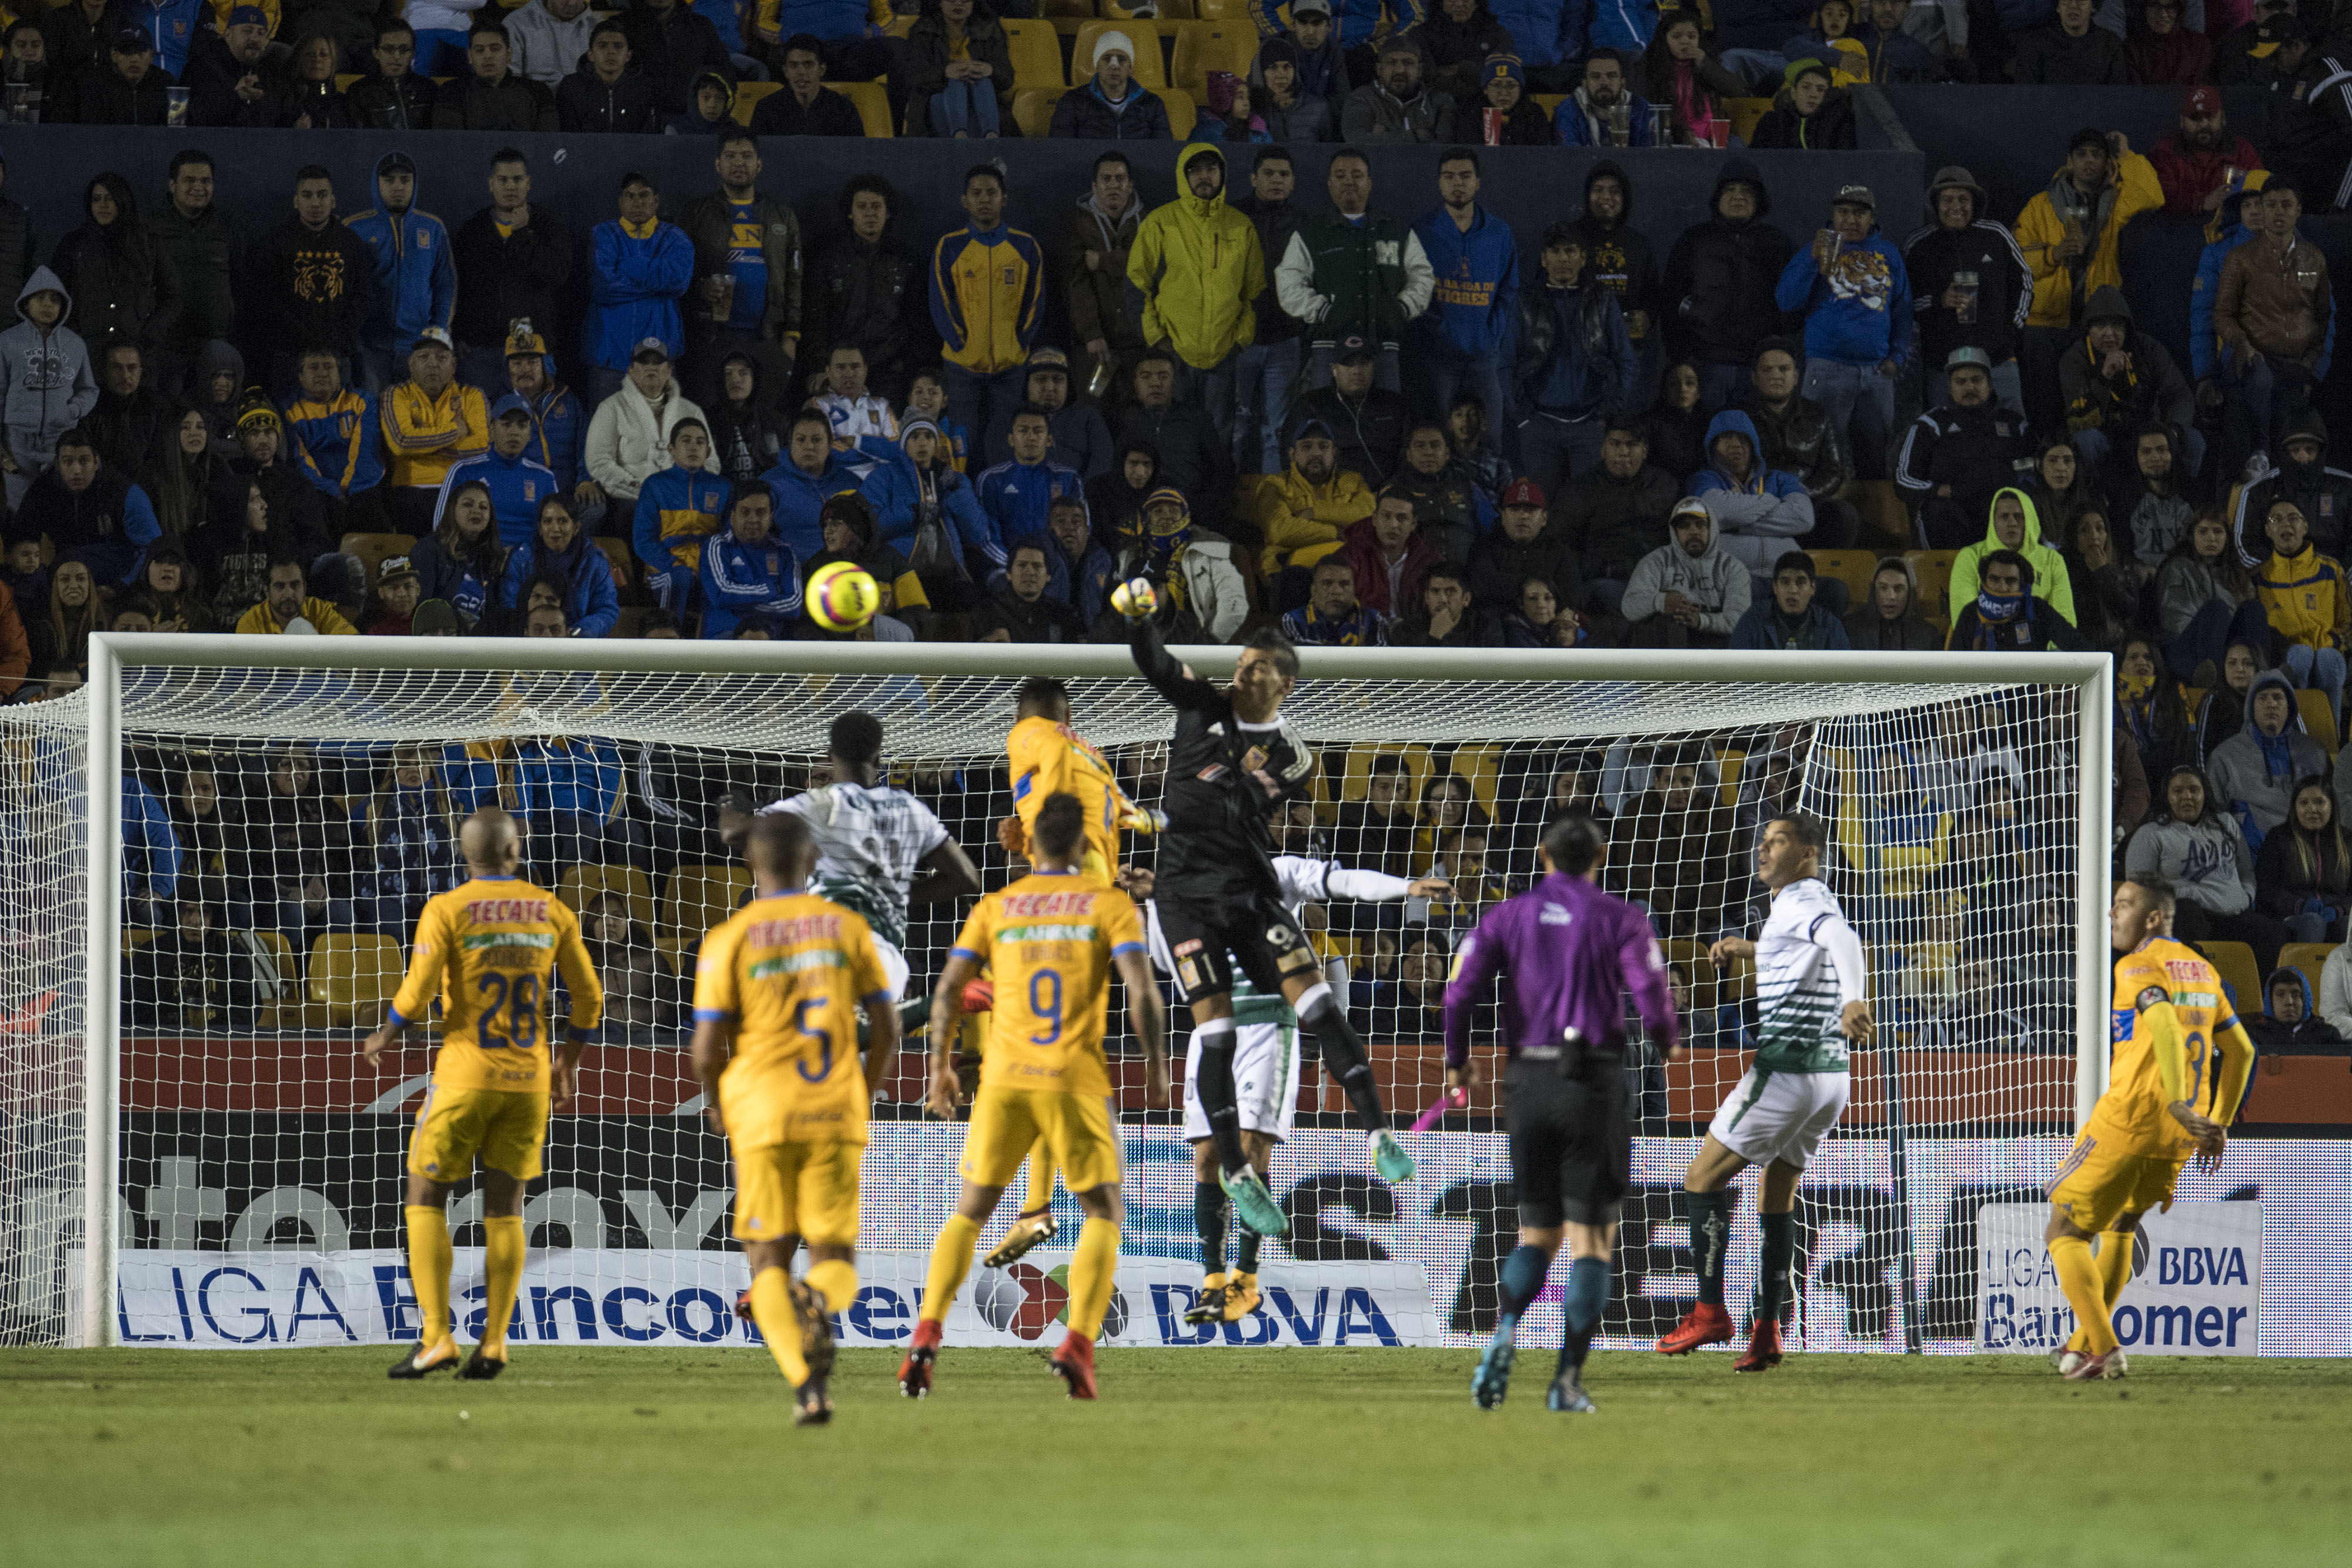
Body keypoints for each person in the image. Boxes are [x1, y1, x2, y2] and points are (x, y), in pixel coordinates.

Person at [1121, 596, 1409, 1233]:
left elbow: (1227, 809)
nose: (1242, 675)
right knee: (1214, 1029)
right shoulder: (1201, 706)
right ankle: (1239, 1172)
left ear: (1284, 683)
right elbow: (1158, 665)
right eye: (1241, 665)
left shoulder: (1291, 755)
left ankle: (1380, 1135)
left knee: (1319, 1006)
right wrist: (1142, 622)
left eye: (1255, 670)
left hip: (1249, 893)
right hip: (1183, 896)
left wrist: (1158, 817)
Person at [899, 789, 1162, 1399]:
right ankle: (1076, 1343)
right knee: (1102, 1212)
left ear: (1031, 843)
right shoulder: (1108, 904)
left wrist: (939, 1065)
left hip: (1005, 1079)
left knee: (969, 1212)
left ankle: (926, 1336)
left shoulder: (997, 906)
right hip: (1074, 1076)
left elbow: (946, 992)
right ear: (1083, 844)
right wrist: (1156, 1063)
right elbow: (1142, 989)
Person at [365, 807, 604, 1380]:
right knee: (505, 1212)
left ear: (464, 854)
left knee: (424, 1197)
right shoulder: (551, 910)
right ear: (514, 850)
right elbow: (591, 1001)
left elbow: (418, 992)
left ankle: (437, 1338)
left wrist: (386, 1033)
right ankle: (494, 1343)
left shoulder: (446, 909)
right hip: (526, 1084)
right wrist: (565, 1062)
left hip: (463, 1080)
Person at [1453, 812, 1679, 1412]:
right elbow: (1651, 991)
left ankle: (1503, 1333)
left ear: (1540, 853)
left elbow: (1459, 991)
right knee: (1591, 1241)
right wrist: (1666, 1038)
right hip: (1595, 1081)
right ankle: (1564, 1382)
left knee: (1536, 1233)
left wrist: (1457, 1062)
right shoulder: (1622, 918)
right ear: (1598, 857)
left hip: (1528, 1079)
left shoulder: (1508, 914)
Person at [690, 811, 894, 1420]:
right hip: (834, 1112)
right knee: (836, 1268)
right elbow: (884, 1030)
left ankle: (808, 1387)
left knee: (766, 1265)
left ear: (752, 864)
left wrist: (718, 1103)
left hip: (761, 1116)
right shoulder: (846, 928)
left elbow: (705, 1050)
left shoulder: (730, 937)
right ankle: (816, 1301)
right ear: (812, 862)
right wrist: (861, 1090)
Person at [1654, 814, 1870, 1373]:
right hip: (1831, 1077)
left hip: (1788, 1068)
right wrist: (1745, 948)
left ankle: (1709, 1311)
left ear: (1807, 852)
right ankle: (1769, 1328)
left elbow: (1842, 940)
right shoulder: (1795, 904)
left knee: (1701, 1178)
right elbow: (1797, 948)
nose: (1764, 849)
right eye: (1763, 840)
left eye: (1778, 841)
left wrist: (1854, 999)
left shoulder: (1803, 902)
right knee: (1777, 1197)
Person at [2044, 874, 2251, 1379]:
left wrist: (2177, 1099)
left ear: (2153, 917)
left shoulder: (2138, 964)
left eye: (2123, 905)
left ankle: (2106, 1347)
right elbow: (2243, 1051)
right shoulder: (2204, 971)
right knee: (2121, 1226)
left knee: (2063, 1230)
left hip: (2130, 1120)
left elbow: (2159, 1022)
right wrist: (2216, 1122)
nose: (2113, 914)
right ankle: (2078, 1346)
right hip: (2179, 1138)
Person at [2016, 128, 2162, 434]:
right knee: (2044, 401)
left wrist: (2126, 155)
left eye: (2097, 154)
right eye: (2082, 155)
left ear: (2107, 162)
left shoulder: (2115, 201)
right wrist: (2053, 255)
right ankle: (2047, 455)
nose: (2089, 162)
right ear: (2069, 162)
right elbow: (2016, 260)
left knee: (2089, 402)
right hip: (2047, 321)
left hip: (2094, 324)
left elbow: (2153, 195)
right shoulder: (2041, 205)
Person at [1130, 145, 1265, 451]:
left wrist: (1239, 340)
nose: (1205, 176)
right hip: (1174, 352)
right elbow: (1137, 284)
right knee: (1174, 434)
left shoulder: (1241, 226)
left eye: (1211, 169)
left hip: (1224, 353)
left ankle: (1213, 498)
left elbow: (1255, 291)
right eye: (1196, 170)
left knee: (1220, 438)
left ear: (1223, 175)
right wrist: (1156, 338)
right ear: (1183, 176)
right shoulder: (1161, 222)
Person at [1772, 184, 1907, 482]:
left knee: (1877, 457)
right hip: (1827, 367)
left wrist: (1896, 356)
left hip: (1876, 372)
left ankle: (1873, 524)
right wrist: (1812, 259)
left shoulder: (1889, 254)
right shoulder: (1815, 250)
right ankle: (1817, 522)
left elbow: (1902, 310)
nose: (1850, 219)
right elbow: (1786, 301)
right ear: (1833, 215)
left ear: (1872, 218)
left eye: (1859, 213)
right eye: (1843, 212)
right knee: (1814, 455)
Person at [1276, 148, 1435, 393]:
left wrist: (1403, 308)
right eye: (1340, 176)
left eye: (1357, 175)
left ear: (1369, 182)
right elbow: (1288, 282)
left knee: (1385, 417)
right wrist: (1322, 311)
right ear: (1329, 184)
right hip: (1328, 346)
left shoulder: (1396, 231)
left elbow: (1422, 276)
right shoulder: (1311, 233)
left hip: (1383, 345)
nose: (1349, 181)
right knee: (1328, 419)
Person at [678, 133, 803, 414]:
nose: (739, 162)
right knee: (711, 420)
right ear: (718, 165)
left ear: (759, 165)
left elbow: (795, 280)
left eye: (747, 156)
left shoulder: (781, 215)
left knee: (766, 420)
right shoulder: (697, 213)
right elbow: (678, 272)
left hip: (767, 337)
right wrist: (700, 288)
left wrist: (791, 336)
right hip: (711, 336)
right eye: (731, 156)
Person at [2214, 178, 2334, 472]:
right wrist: (2242, 344)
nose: (2278, 212)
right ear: (2263, 211)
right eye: (2271, 205)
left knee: (2299, 404)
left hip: (2298, 362)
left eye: (2286, 205)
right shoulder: (2240, 258)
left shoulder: (2314, 258)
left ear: (2298, 211)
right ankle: (2260, 452)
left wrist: (2312, 360)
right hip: (2257, 357)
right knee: (2262, 379)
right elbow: (2223, 314)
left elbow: (2324, 316)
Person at [1662, 159, 1793, 413]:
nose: (1738, 197)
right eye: (1730, 191)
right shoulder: (1693, 240)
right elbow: (1670, 302)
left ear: (1759, 200)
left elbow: (1795, 302)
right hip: (1703, 364)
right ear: (1717, 198)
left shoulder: (1778, 243)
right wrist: (1680, 359)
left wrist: (1777, 350)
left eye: (1746, 191)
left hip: (1760, 368)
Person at [1408, 148, 1515, 459]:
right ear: (1439, 184)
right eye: (1449, 177)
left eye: (1465, 176)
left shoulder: (1499, 233)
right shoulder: (1422, 231)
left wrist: (1489, 335)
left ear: (1478, 182)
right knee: (1441, 440)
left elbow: (1509, 290)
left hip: (1484, 356)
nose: (1458, 184)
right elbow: (1413, 291)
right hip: (1438, 356)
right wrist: (1441, 331)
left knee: (1491, 439)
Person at [929, 165, 1042, 455]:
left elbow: (1036, 299)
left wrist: (1020, 341)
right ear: (964, 200)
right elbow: (940, 300)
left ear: (1004, 199)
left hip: (1011, 364)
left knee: (1003, 443)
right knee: (961, 443)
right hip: (961, 365)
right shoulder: (950, 246)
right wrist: (959, 342)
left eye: (992, 193)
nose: (984, 199)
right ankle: (961, 497)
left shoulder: (1025, 246)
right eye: (976, 193)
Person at [1902, 166, 2032, 417]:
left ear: (1975, 204)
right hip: (1943, 366)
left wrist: (2010, 332)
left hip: (1998, 361)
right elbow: (1904, 302)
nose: (1956, 207)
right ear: (1935, 204)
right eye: (1947, 200)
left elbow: (2026, 282)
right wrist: (1939, 301)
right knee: (1944, 434)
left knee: (2014, 432)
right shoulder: (1918, 246)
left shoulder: (1996, 235)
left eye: (1964, 199)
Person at [449, 153, 573, 392]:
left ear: (528, 183)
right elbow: (459, 286)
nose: (510, 186)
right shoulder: (473, 229)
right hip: (482, 349)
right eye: (503, 180)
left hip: (530, 347)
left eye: (517, 180)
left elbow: (557, 274)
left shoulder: (548, 225)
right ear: (491, 184)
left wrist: (523, 233)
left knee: (527, 422)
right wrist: (460, 335)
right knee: (484, 422)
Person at [255, 166, 379, 396]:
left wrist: (339, 337)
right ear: (296, 201)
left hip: (339, 354)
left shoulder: (351, 243)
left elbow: (364, 296)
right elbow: (267, 298)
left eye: (322, 195)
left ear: (333, 201)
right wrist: (301, 338)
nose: (315, 203)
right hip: (289, 353)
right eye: (307, 195)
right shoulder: (276, 241)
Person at [1896, 348, 2035, 551]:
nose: (1970, 387)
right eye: (1961, 382)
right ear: (1949, 388)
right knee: (1937, 511)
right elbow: (1903, 480)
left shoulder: (2015, 425)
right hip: (1951, 510)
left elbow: (2032, 472)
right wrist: (1941, 491)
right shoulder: (1931, 424)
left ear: (1990, 384)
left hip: (2001, 513)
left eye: (1977, 380)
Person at [345, 152, 457, 398]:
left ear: (414, 184)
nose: (398, 187)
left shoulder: (433, 227)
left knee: (417, 417)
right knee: (371, 416)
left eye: (405, 180)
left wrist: (437, 334)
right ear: (377, 183)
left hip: (418, 347)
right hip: (370, 347)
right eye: (390, 181)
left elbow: (445, 285)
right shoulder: (355, 228)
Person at [583, 172, 694, 406]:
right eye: (630, 195)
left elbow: (678, 282)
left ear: (656, 201)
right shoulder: (602, 235)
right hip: (610, 360)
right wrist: (656, 285)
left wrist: (628, 266)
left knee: (660, 436)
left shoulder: (675, 238)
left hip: (659, 361)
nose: (637, 201)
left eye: (644, 195)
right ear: (620, 201)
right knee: (606, 436)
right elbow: (603, 287)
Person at [1737, 339, 1856, 550]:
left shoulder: (1817, 414)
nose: (1776, 375)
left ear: (1796, 377)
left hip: (1807, 500)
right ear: (1754, 378)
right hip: (1756, 504)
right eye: (1767, 370)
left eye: (1784, 369)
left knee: (1843, 516)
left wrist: (1802, 494)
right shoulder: (1737, 417)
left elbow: (1834, 471)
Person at [49, 173, 181, 360]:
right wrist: (74, 335)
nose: (103, 205)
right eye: (97, 199)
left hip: (138, 354)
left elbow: (173, 296)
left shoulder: (147, 244)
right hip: (89, 353)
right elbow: (55, 296)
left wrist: (150, 334)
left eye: (111, 198)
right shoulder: (74, 245)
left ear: (122, 201)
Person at [0, 268, 97, 510]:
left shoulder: (75, 344)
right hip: (18, 443)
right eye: (40, 297)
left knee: (58, 509)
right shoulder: (8, 342)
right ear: (26, 302)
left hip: (60, 441)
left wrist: (73, 410)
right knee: (21, 510)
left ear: (64, 306)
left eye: (55, 299)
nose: (48, 304)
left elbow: (89, 389)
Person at [18, 427, 160, 588]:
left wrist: (121, 587)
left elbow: (152, 547)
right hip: (63, 577)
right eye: (68, 462)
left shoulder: (126, 493)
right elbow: (22, 539)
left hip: (116, 576)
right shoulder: (42, 492)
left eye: (84, 461)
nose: (77, 470)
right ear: (57, 464)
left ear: (96, 462)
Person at [149, 151, 239, 402]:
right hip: (167, 349)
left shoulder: (227, 227)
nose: (198, 188)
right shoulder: (151, 228)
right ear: (172, 185)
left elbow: (241, 286)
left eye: (206, 181)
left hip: (215, 346)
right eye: (190, 180)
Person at [379, 328, 489, 533]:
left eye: (441, 357)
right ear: (410, 364)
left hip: (458, 489)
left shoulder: (472, 396)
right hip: (410, 490)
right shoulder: (395, 394)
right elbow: (401, 442)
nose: (432, 363)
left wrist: (422, 443)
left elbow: (481, 448)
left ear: (454, 365)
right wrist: (455, 431)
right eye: (423, 357)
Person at [2251, 497, 2350, 719]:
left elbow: (2349, 619)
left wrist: (2334, 641)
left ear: (2305, 526)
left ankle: (2330, 740)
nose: (2286, 524)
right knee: (2300, 654)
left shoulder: (2330, 569)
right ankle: (2296, 729)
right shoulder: (2259, 577)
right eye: (2276, 519)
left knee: (2328, 659)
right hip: (2286, 659)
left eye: (2293, 518)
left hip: (2328, 651)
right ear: (2268, 530)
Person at [2210, 668, 2331, 847]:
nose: (2271, 704)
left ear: (2289, 706)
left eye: (2278, 697)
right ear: (2251, 706)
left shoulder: (2314, 753)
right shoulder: (2224, 756)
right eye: (2263, 698)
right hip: (2250, 854)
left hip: (2309, 849)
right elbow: (2214, 817)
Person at [1690, 409, 1812, 573]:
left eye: (1743, 438)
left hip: (1782, 578)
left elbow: (1804, 518)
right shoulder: (1703, 479)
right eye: (1726, 437)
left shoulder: (1779, 479)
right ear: (1713, 446)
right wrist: (1770, 501)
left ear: (1753, 445)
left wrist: (1736, 526)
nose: (1735, 444)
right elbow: (1716, 510)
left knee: (1836, 591)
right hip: (1731, 578)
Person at [1621, 496, 1749, 648]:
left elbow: (1739, 621)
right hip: (1667, 643)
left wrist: (1701, 620)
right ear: (1675, 532)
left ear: (1712, 529)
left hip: (1716, 643)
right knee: (1668, 620)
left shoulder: (1732, 567)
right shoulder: (1657, 561)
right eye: (1684, 526)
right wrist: (1661, 602)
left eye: (1701, 525)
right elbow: (1629, 607)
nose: (1693, 531)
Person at [2233, 408, 2352, 565]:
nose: (2303, 457)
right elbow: (2244, 547)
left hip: (2336, 581)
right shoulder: (2259, 490)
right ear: (2284, 452)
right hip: (2276, 582)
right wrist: (2280, 579)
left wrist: (2340, 581)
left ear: (2321, 450)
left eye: (2310, 450)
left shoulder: (2345, 487)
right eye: (2295, 450)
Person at [2156, 508, 2262, 679]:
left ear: (2227, 538)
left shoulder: (2237, 574)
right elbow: (2175, 620)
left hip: (2228, 651)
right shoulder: (2177, 568)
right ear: (2192, 536)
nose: (2211, 538)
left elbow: (2244, 622)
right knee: (2217, 609)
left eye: (2218, 531)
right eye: (2203, 531)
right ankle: (2212, 678)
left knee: (2253, 609)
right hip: (2185, 650)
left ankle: (2260, 677)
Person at [1952, 487, 2078, 627]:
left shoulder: (2053, 560)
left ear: (2030, 520)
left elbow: (2064, 622)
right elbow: (1966, 621)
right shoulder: (1970, 557)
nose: (2012, 523)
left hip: (2040, 646)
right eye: (2004, 516)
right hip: (1986, 645)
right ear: (1993, 521)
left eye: (2019, 516)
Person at [282, 347, 383, 517]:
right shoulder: (289, 410)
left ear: (339, 374)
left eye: (328, 367)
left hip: (362, 487)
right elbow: (299, 460)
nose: (322, 373)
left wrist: (349, 487)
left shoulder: (363, 401)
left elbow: (367, 452)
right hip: (318, 490)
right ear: (300, 376)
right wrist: (332, 490)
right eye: (314, 367)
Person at [2256, 776, 2352, 942]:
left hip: (2337, 915)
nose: (2312, 809)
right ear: (2295, 807)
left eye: (2319, 802)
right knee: (2314, 923)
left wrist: (2340, 910)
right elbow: (2266, 889)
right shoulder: (2279, 838)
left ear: (2332, 805)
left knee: (2347, 925)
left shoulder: (2348, 841)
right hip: (2291, 917)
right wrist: (2300, 905)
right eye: (2304, 803)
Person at [897, 4, 1006, 139]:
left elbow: (1007, 77)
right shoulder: (923, 29)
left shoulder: (990, 28)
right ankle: (959, 136)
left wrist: (990, 70)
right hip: (935, 104)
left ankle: (991, 135)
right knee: (954, 83)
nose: (959, 3)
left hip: (980, 103)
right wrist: (946, 72)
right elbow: (914, 77)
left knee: (983, 83)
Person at [2153, 85, 2261, 219]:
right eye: (2195, 118)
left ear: (2223, 118)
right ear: (2182, 122)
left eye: (2210, 117)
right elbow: (2160, 197)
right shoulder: (2165, 151)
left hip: (2230, 232)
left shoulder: (2242, 151)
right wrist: (2203, 203)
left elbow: (2261, 191)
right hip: (2179, 232)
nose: (2204, 124)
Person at [430, 19, 559, 131]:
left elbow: (548, 145)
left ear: (509, 55)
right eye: (480, 50)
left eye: (495, 49)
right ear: (470, 57)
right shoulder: (452, 92)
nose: (488, 56)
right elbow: (449, 145)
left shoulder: (538, 93)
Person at [1948, 549, 2087, 651]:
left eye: (2010, 581)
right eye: (1994, 579)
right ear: (1984, 582)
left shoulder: (2037, 609)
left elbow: (2078, 646)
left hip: (2029, 691)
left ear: (2022, 585)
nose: (2002, 587)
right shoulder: (1971, 613)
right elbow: (1954, 666)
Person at [1643, 12, 1745, 145]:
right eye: (1676, 37)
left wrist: (1705, 65)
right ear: (1665, 40)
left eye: (1692, 37)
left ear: (1699, 39)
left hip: (1711, 136)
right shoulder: (1653, 66)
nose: (1685, 41)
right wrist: (1681, 134)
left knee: (1735, 143)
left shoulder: (1707, 63)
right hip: (1673, 136)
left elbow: (1736, 90)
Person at [1050, 29, 1171, 140]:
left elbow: (1163, 152)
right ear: (1096, 65)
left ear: (1131, 68)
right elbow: (1061, 150)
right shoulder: (1072, 102)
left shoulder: (1153, 104)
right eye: (1107, 58)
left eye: (1122, 59)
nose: (1114, 65)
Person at [187, 4, 293, 127]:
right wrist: (235, 98)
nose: (254, 38)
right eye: (247, 31)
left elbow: (287, 116)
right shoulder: (203, 68)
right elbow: (195, 118)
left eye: (261, 33)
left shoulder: (270, 75)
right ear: (228, 34)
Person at [554, 18, 662, 132]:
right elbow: (568, 134)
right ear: (591, 55)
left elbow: (649, 136)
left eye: (618, 46)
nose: (611, 51)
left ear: (628, 56)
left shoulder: (644, 88)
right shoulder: (572, 87)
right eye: (603, 46)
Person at [1344, 34, 1456, 141]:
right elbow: (1357, 142)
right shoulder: (1361, 99)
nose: (1400, 70)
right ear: (1379, 69)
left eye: (1408, 63)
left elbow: (1443, 148)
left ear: (1420, 70)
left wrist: (1382, 137)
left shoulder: (1440, 101)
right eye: (1391, 63)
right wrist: (1419, 136)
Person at [1731, 552, 1851, 650]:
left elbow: (1846, 674)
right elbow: (1735, 671)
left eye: (1801, 582)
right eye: (1785, 582)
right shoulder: (1752, 621)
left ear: (1812, 588)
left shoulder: (1831, 625)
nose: (1793, 590)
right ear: (1775, 588)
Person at [347, 18, 437, 129]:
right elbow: (358, 140)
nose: (397, 56)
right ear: (376, 53)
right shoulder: (359, 92)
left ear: (413, 53)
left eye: (404, 49)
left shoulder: (428, 89)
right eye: (389, 49)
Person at [1747, 58, 1856, 149]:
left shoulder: (1840, 123)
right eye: (1806, 87)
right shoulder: (1772, 122)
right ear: (1794, 92)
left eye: (1820, 89)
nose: (1813, 94)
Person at [1553, 48, 1651, 148]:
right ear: (1584, 84)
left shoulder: (1642, 109)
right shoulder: (1568, 110)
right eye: (1596, 76)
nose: (1604, 82)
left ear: (1623, 83)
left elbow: (1650, 157)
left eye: (1611, 76)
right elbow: (1569, 157)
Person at [234, 555, 358, 635]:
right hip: (273, 676)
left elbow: (353, 645)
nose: (289, 593)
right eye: (280, 586)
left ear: (304, 588)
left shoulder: (320, 610)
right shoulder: (251, 621)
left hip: (316, 675)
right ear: (267, 592)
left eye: (295, 585)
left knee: (299, 626)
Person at [70, 29, 172, 125]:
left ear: (151, 56)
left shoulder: (166, 84)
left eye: (141, 52)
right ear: (114, 56)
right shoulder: (97, 85)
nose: (134, 59)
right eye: (127, 52)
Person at [2013, 0, 2130, 80]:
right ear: (2058, 7)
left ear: (2093, 6)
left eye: (2081, 1)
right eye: (2066, 1)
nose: (2073, 6)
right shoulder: (2034, 43)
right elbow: (2027, 95)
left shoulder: (2110, 43)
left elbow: (2117, 94)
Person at [1845, 555, 1940, 649]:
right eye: (1883, 588)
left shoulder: (1928, 634)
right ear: (1873, 592)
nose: (1891, 596)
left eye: (1899, 589)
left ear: (1910, 594)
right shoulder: (1850, 629)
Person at [1253, 38, 1335, 142]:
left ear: (1295, 70)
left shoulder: (1318, 109)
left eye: (1287, 67)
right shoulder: (1254, 110)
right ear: (1262, 72)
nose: (1281, 75)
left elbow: (1327, 151)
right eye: (1273, 68)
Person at [507, 0, 599, 86]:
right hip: (535, 99)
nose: (571, 3)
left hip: (583, 99)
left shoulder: (597, 26)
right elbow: (510, 77)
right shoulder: (516, 23)